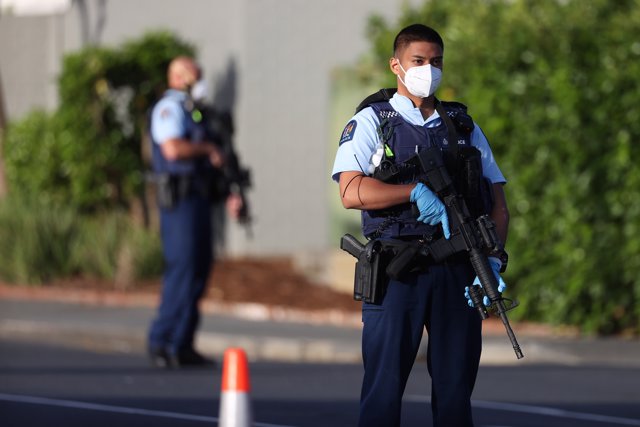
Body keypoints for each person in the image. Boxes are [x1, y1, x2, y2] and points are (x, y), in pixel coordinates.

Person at [331, 24, 510, 426]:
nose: (428, 70)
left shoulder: (463, 126)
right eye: (418, 61)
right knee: (383, 392)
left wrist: (494, 259)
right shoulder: (373, 120)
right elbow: (351, 190)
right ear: (396, 65)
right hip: (399, 272)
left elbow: (498, 202)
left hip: (458, 272)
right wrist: (411, 193)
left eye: (436, 62)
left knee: (455, 394)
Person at [147, 56, 243, 368]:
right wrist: (207, 150)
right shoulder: (169, 108)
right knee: (183, 270)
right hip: (180, 203)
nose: (199, 81)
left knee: (199, 271)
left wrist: (230, 192)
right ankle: (161, 341)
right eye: (194, 75)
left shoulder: (196, 111)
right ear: (177, 77)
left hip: (200, 200)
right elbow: (172, 148)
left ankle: (182, 343)